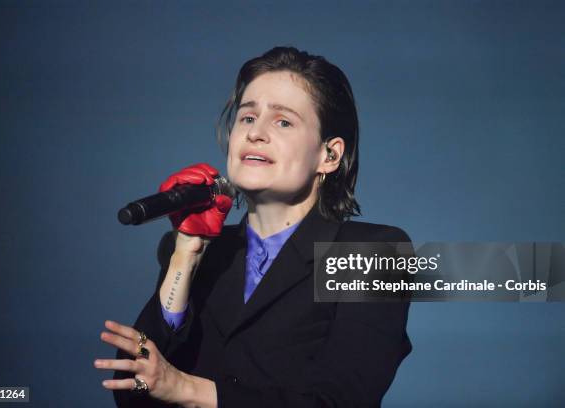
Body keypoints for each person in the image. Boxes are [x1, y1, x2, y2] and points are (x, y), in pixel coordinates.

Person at [94, 46, 413, 407]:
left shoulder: (373, 254)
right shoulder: (194, 253)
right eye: (247, 118)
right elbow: (135, 392)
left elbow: (339, 402)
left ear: (330, 155)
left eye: (283, 121)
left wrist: (188, 389)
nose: (255, 133)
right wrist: (186, 252)